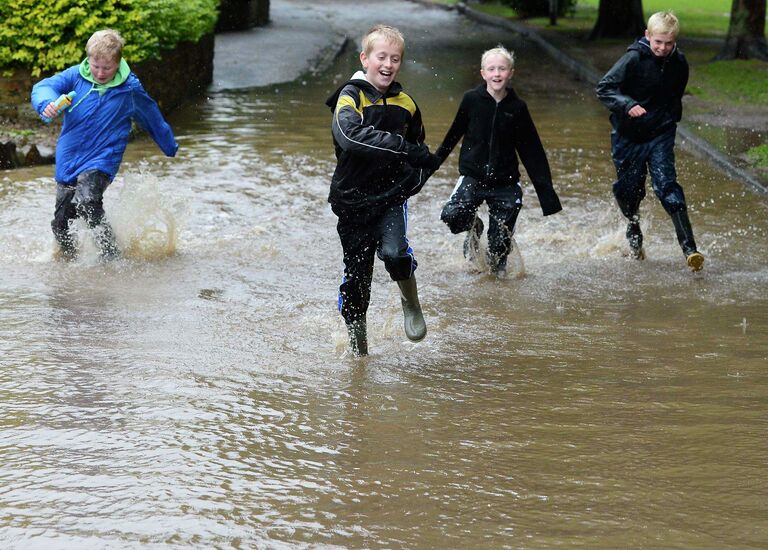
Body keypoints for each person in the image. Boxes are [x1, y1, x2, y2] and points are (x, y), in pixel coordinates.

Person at [326, 24, 441, 357]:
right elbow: (350, 136)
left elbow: (419, 148)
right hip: (352, 202)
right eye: (381, 57)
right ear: (365, 59)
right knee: (357, 281)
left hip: (391, 198)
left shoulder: (407, 104)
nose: (388, 64)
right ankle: (359, 349)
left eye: (396, 59)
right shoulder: (350, 96)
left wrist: (414, 180)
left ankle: (411, 301)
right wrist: (402, 147)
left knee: (394, 252)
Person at [31, 29, 178, 260]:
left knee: (88, 200)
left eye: (107, 68)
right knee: (61, 222)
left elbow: (151, 116)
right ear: (89, 59)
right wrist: (46, 103)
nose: (100, 73)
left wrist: (169, 145)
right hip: (69, 158)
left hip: (103, 158)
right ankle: (68, 263)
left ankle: (111, 257)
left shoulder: (129, 89)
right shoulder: (75, 76)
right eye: (95, 65)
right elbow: (43, 87)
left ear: (118, 63)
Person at [435, 45, 562, 278]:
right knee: (453, 215)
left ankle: (497, 284)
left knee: (498, 252)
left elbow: (532, 151)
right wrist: (431, 164)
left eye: (501, 69)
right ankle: (475, 226)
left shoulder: (518, 108)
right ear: (483, 73)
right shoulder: (471, 100)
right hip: (473, 176)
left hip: (505, 183)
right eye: (491, 69)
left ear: (510, 72)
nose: (496, 74)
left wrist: (547, 194)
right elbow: (453, 135)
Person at [596, 11, 705, 271]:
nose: (663, 48)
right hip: (628, 136)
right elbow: (604, 88)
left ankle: (690, 249)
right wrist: (627, 104)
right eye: (658, 42)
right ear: (648, 35)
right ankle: (633, 226)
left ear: (675, 40)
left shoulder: (680, 62)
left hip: (660, 133)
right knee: (630, 190)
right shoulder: (633, 58)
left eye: (668, 43)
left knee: (667, 185)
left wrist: (668, 119)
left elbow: (675, 94)